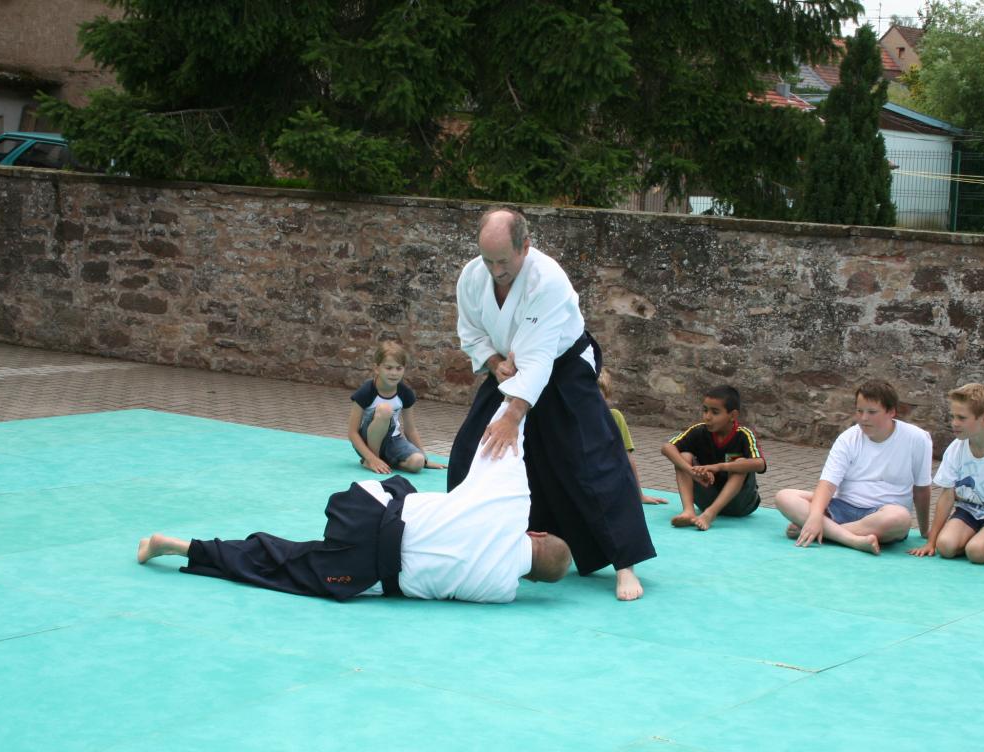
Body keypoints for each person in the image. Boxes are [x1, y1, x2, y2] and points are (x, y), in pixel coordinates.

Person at [138, 403, 571, 603]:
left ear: (537, 531)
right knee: (282, 561)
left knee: (408, 492)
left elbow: (504, 434)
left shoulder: (510, 505)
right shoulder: (500, 592)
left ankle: (178, 545)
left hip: (364, 507)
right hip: (363, 571)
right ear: (530, 581)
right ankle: (180, 547)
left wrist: (520, 397)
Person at [447, 206, 655, 601]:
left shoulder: (548, 280)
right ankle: (475, 550)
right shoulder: (474, 276)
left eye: (503, 261)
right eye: (487, 260)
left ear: (525, 246)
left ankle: (624, 564)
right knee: (470, 452)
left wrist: (512, 415)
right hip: (508, 368)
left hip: (561, 366)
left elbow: (539, 359)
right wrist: (494, 364)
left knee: (589, 459)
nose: (495, 270)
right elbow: (470, 332)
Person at [775, 379, 932, 554]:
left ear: (891, 412)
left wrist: (925, 530)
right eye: (859, 411)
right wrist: (814, 516)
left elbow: (922, 489)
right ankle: (852, 539)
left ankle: (820, 531)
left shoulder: (917, 438)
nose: (864, 418)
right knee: (785, 497)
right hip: (842, 506)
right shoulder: (848, 438)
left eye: (872, 412)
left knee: (900, 518)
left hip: (884, 513)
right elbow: (827, 485)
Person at [909, 383, 984, 569]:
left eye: (962, 418)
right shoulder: (956, 447)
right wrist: (931, 542)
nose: (954, 423)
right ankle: (975, 536)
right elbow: (947, 496)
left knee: (977, 553)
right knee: (945, 547)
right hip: (970, 509)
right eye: (953, 416)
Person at [661, 385, 765, 531]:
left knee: (740, 462)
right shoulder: (699, 431)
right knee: (683, 456)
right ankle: (688, 511)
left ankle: (710, 514)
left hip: (741, 504)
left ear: (733, 415)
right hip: (707, 498)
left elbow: (760, 464)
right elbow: (667, 448)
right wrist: (691, 471)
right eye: (705, 410)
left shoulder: (744, 434)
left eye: (715, 412)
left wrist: (720, 466)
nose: (707, 417)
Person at [347, 340, 445, 475]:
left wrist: (425, 459)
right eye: (388, 368)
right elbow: (352, 433)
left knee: (417, 462)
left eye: (399, 368)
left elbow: (410, 430)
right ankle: (373, 461)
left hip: (393, 441)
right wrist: (371, 458)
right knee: (385, 410)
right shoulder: (366, 391)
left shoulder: (405, 393)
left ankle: (386, 462)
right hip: (368, 443)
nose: (394, 373)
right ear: (377, 368)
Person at [598, 368, 668, 506]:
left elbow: (628, 458)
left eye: (599, 397)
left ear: (607, 397)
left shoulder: (615, 417)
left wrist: (639, 495)